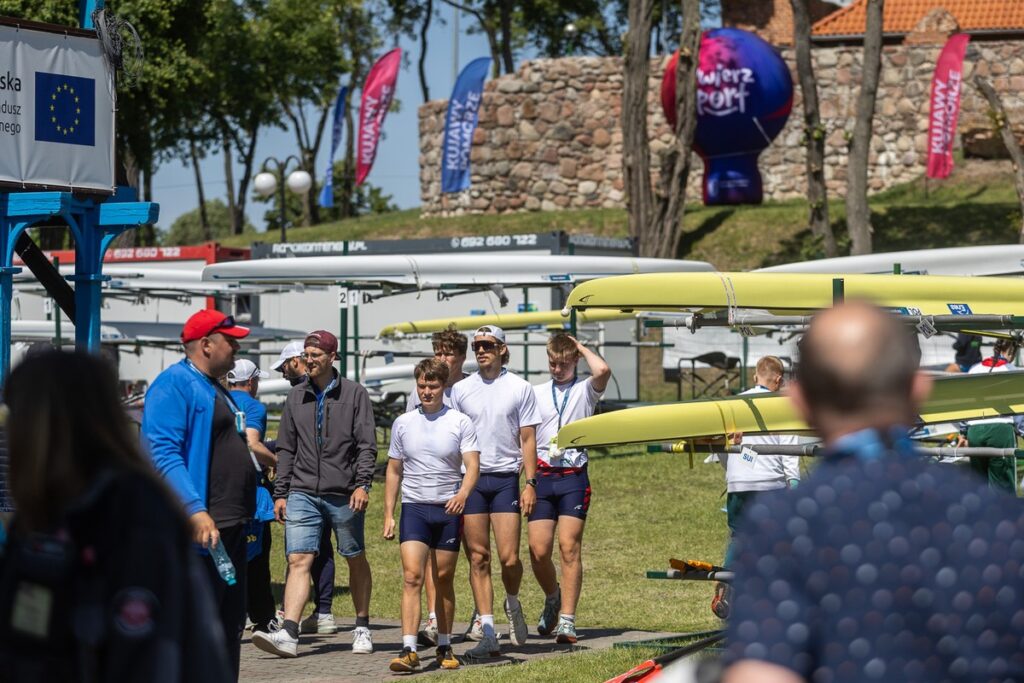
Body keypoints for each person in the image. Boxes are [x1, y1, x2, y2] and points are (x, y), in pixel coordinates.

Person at [722, 302, 1024, 683]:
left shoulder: (782, 526)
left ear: (801, 402)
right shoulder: (1000, 520)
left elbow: (762, 674)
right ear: (918, 390)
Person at [0, 350, 232, 682]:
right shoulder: (46, 512)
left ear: (48, 422)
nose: (10, 434)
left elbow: (147, 656)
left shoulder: (130, 515)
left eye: (17, 416)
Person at [142, 309, 255, 678]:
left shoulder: (213, 386)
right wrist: (193, 509)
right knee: (197, 630)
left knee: (227, 627)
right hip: (200, 532)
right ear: (206, 344)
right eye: (230, 341)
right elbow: (162, 452)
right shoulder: (173, 384)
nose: (237, 348)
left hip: (230, 528)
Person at [252, 330, 377, 658]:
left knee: (354, 556)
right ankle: (290, 632)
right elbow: (286, 447)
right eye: (307, 354)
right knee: (299, 558)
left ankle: (362, 625)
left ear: (332, 357)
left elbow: (366, 444)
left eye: (316, 355)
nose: (309, 360)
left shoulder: (355, 394)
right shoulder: (296, 397)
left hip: (344, 493)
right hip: (302, 491)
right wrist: (281, 492)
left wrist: (363, 484)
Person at [450, 325, 541, 659]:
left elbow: (528, 438)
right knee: (478, 557)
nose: (481, 350)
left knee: (509, 557)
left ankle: (513, 601)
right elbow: (454, 436)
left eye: (487, 344)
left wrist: (531, 483)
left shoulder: (520, 387)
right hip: (471, 481)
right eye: (476, 345)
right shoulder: (461, 389)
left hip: (505, 479)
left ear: (503, 349)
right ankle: (488, 630)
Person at [383, 358, 481, 672]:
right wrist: (389, 514)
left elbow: (473, 465)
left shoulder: (459, 422)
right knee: (412, 576)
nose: (427, 391)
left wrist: (462, 494)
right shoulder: (403, 422)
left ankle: (444, 644)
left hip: (447, 509)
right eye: (422, 385)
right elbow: (394, 470)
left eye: (433, 385)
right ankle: (409, 648)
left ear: (443, 387)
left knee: (443, 579)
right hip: (414, 508)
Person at [527, 334, 610, 645]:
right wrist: (528, 480)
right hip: (543, 477)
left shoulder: (585, 390)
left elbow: (602, 371)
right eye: (552, 363)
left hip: (573, 477)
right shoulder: (535, 393)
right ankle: (553, 596)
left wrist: (583, 347)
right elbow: (527, 438)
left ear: (575, 361)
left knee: (569, 547)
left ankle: (567, 619)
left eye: (563, 364)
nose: (557, 369)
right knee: (538, 550)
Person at [711, 356, 800, 619]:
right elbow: (790, 449)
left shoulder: (734, 403)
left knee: (739, 537)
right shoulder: (782, 405)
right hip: (770, 485)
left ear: (754, 376)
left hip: (739, 484)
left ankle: (725, 588)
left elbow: (721, 448)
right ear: (779, 380)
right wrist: (793, 484)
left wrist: (733, 475)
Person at [405, 326, 470, 646]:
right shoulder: (419, 391)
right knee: (432, 559)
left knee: (477, 553)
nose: (443, 357)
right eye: (439, 351)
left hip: (467, 481)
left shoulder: (470, 388)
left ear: (461, 357)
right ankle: (434, 619)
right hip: (430, 491)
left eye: (449, 353)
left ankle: (479, 616)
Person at [270, 341, 338, 635]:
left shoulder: (309, 393)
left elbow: (294, 444)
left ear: (294, 361)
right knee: (311, 552)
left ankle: (304, 614)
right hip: (308, 484)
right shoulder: (302, 394)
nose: (283, 371)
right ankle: (317, 613)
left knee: (305, 552)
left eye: (284, 365)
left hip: (314, 484)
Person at [226, 359, 278, 634]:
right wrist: (276, 461)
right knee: (256, 559)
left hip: (217, 492)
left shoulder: (214, 398)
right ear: (252, 382)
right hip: (250, 494)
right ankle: (263, 617)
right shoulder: (253, 406)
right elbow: (252, 442)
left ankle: (230, 613)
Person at [960, 337, 1023, 495]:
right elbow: (1019, 411)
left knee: (979, 483)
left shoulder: (974, 369)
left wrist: (963, 432)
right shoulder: (1012, 371)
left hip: (974, 430)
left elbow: (965, 403)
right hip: (1000, 430)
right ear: (1012, 352)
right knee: (1003, 486)